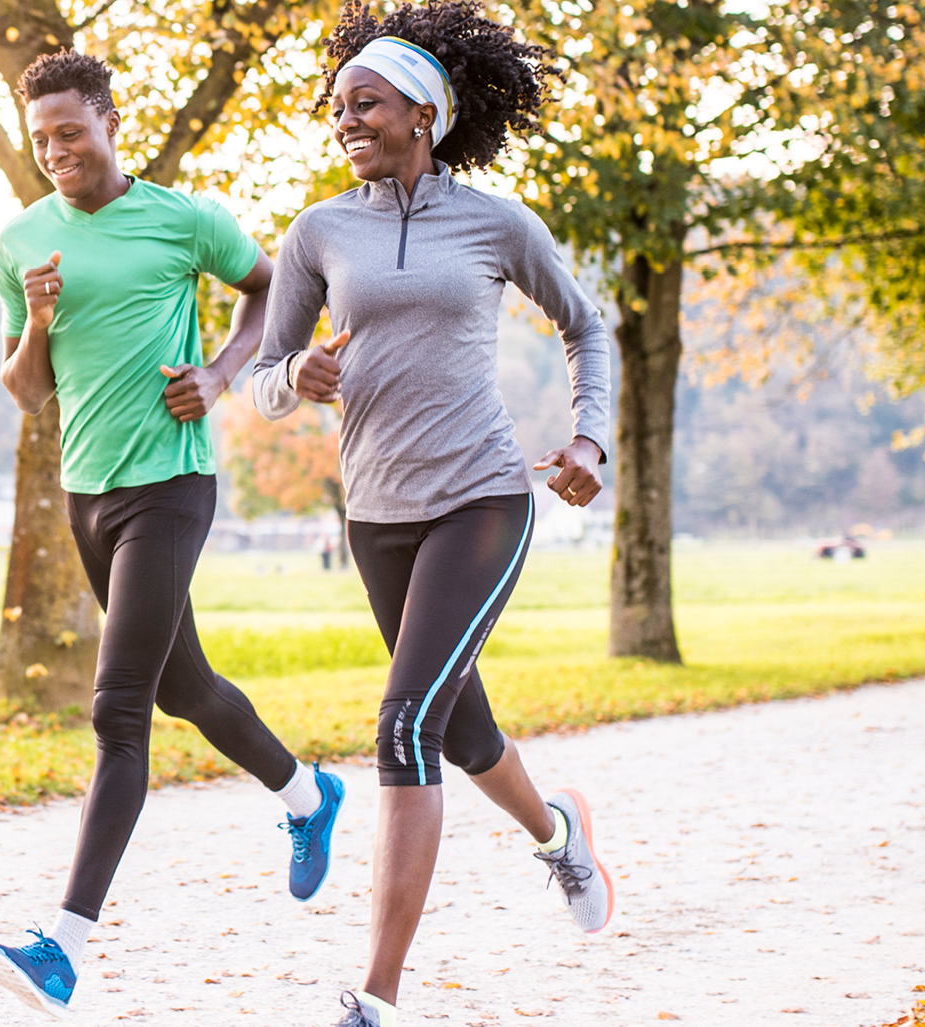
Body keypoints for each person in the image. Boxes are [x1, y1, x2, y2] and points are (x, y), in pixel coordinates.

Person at [249, 3, 615, 1024]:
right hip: (375, 511)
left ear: (424, 112)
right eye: (335, 109)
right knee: (456, 727)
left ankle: (376, 996)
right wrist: (299, 376)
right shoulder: (319, 230)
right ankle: (556, 834)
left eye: (364, 104)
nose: (344, 121)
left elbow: (587, 328)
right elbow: (264, 379)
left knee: (404, 723)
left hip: (481, 498)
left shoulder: (496, 224)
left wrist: (589, 440)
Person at [0, 50, 345, 1018]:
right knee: (185, 685)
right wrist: (40, 323)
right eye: (42, 136)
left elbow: (270, 288)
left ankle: (62, 945)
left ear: (107, 122)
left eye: (71, 129)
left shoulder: (183, 217)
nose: (56, 149)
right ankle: (308, 793)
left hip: (171, 480)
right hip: (86, 490)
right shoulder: (20, 241)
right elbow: (26, 391)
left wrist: (223, 373)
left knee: (119, 708)